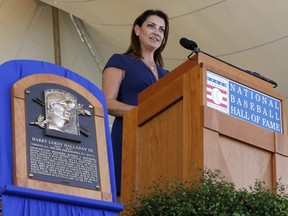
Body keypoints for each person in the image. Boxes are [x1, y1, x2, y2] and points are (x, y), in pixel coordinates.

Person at [102, 9, 170, 195]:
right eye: (151, 26)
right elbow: (106, 102)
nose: (157, 32)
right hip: (128, 134)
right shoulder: (120, 61)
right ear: (137, 29)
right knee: (126, 193)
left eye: (162, 30)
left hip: (162, 141)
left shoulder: (169, 76)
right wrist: (142, 112)